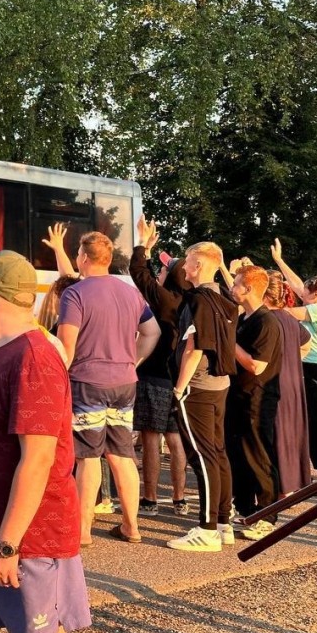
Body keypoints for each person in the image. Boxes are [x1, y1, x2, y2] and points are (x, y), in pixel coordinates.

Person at [0, 249, 90, 633]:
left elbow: (38, 459)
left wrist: (8, 544)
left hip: (29, 540)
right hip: (9, 535)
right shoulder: (5, 351)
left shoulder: (32, 356)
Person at [56, 231, 160, 547]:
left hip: (87, 382)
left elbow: (66, 345)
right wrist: (133, 360)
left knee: (88, 457)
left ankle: (83, 530)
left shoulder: (74, 295)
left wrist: (59, 375)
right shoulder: (130, 293)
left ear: (83, 258)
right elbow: (151, 331)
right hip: (125, 381)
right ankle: (131, 526)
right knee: (121, 454)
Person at [166, 241, 239, 552]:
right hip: (219, 384)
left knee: (202, 455)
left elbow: (193, 348)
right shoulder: (224, 298)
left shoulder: (198, 300)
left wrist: (179, 388)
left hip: (197, 386)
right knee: (218, 452)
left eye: (187, 263)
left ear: (198, 267)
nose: (183, 268)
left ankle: (207, 529)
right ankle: (223, 522)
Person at [129, 218, 192, 518]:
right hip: (178, 379)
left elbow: (139, 273)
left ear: (172, 275)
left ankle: (150, 498)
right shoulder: (189, 301)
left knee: (150, 437)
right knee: (175, 438)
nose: (160, 271)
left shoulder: (164, 300)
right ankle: (180, 499)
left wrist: (143, 246)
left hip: (154, 377)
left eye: (165, 268)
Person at [270, 238, 317, 493]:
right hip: (307, 369)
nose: (302, 296)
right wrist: (279, 261)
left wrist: (268, 292)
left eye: (306, 294)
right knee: (301, 420)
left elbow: (284, 311)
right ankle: (306, 471)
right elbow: (298, 287)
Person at [226, 265, 283, 541]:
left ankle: (268, 514)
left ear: (248, 289)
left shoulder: (266, 322)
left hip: (258, 399)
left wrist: (228, 340)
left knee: (258, 455)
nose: (231, 288)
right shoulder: (245, 318)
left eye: (235, 284)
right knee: (238, 455)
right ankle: (246, 509)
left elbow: (256, 365)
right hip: (237, 396)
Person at [263, 270, 312, 495]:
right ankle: (289, 485)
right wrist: (293, 358)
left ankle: (279, 487)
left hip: (275, 380)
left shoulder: (266, 319)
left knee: (276, 432)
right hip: (292, 379)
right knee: (290, 432)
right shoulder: (289, 318)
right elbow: (306, 343)